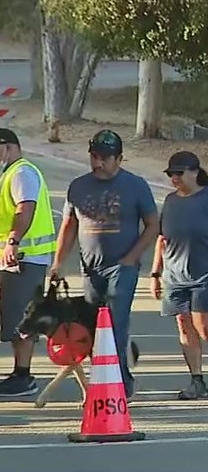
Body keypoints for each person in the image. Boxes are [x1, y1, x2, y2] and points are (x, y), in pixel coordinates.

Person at [51, 129, 159, 400]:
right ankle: (103, 380)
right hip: (90, 269)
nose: (98, 163)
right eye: (94, 157)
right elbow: (69, 226)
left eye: (105, 158)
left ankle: (119, 387)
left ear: (119, 158)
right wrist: (58, 263)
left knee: (115, 324)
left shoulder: (135, 186)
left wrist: (131, 258)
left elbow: (152, 224)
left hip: (121, 268)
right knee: (91, 328)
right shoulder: (78, 186)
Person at [150, 150, 208, 400]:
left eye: (178, 173)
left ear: (194, 172)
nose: (174, 178)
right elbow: (162, 239)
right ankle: (197, 380)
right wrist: (155, 273)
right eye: (171, 174)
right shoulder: (170, 201)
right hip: (175, 273)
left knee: (203, 323)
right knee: (183, 323)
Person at [0, 128, 58, 397]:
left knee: (21, 317)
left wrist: (13, 240)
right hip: (11, 259)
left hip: (25, 258)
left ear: (7, 147)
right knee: (11, 316)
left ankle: (23, 375)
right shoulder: (8, 173)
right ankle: (17, 374)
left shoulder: (22, 172)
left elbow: (26, 207)